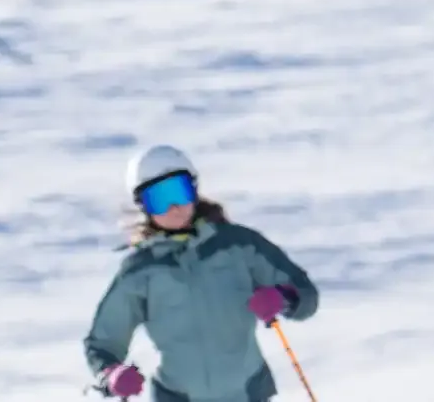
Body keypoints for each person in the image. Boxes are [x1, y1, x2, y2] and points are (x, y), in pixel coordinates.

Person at [86, 144, 320, 402]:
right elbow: (103, 343)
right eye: (159, 199)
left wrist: (284, 297)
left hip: (248, 393)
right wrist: (112, 375)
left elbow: (305, 294)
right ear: (143, 205)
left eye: (179, 191)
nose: (174, 206)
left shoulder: (239, 246)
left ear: (194, 190)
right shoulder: (141, 271)